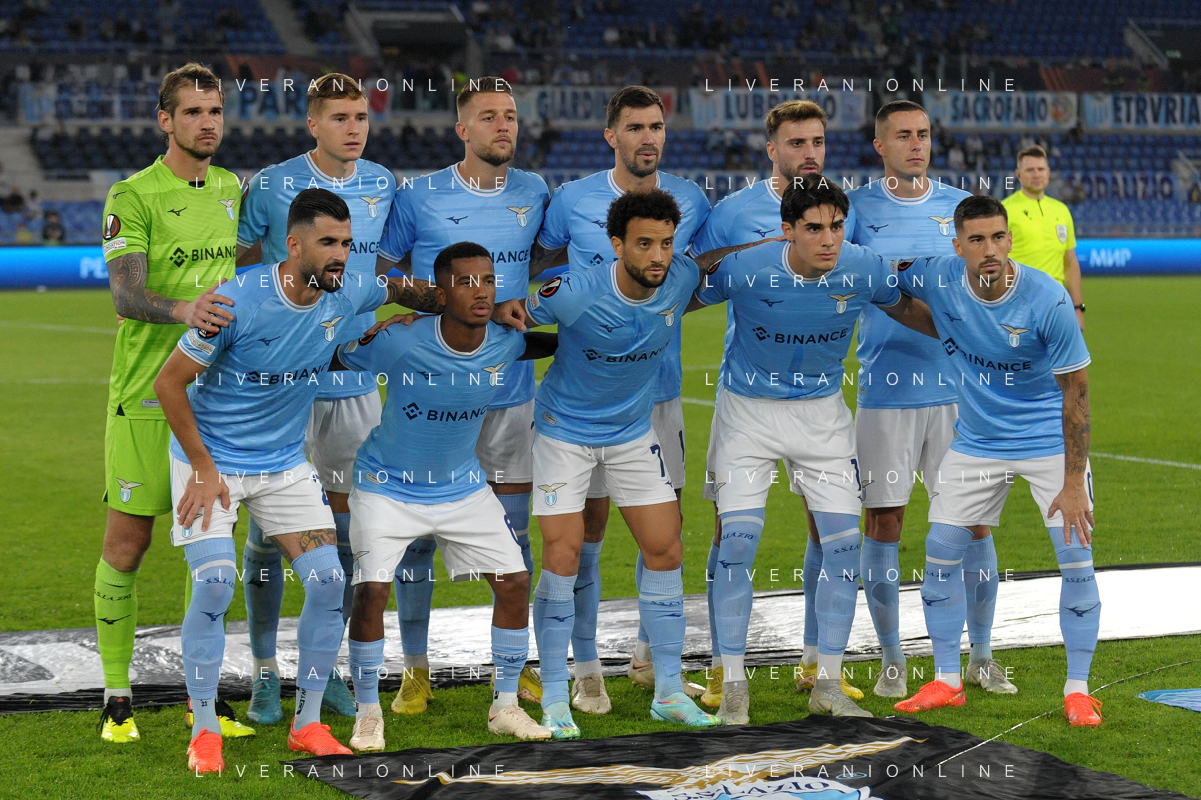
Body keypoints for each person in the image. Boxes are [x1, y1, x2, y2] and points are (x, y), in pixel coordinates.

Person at [153, 188, 439, 773]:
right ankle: (204, 729)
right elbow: (168, 384)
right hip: (212, 462)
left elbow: (400, 289)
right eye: (328, 243)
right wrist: (202, 468)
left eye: (347, 244)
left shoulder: (349, 289)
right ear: (293, 244)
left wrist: (464, 305)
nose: (341, 255)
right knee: (214, 585)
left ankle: (306, 724)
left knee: (329, 581)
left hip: (283, 464)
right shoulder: (236, 302)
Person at [696, 177, 939, 722]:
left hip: (823, 416)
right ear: (787, 230)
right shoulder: (745, 269)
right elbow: (676, 298)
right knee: (737, 543)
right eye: (813, 229)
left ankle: (827, 683)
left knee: (844, 547)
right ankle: (733, 685)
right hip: (747, 415)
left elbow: (906, 309)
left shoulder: (863, 267)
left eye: (836, 226)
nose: (828, 239)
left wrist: (966, 336)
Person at [516, 189, 723, 738]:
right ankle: (556, 699)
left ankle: (669, 692)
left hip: (632, 434)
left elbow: (712, 261)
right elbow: (508, 319)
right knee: (563, 557)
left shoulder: (679, 277)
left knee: (666, 549)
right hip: (564, 434)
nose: (658, 256)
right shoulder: (573, 292)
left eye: (666, 243)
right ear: (616, 244)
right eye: (644, 244)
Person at [234, 72, 406, 725]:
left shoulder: (384, 183)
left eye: (360, 116)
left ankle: (323, 668)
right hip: (285, 381)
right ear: (312, 123)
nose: (354, 128)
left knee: (345, 532)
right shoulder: (271, 184)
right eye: (339, 117)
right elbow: (241, 263)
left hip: (354, 381)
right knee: (266, 529)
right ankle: (263, 673)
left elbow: (382, 269)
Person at [374, 76, 550, 715]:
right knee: (416, 536)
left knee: (514, 533)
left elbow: (543, 263)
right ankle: (414, 669)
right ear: (462, 129)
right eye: (489, 116)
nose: (504, 126)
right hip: (432, 392)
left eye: (510, 115)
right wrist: (441, 301)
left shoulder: (535, 192)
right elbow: (382, 271)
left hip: (508, 390)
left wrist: (518, 304)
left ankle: (516, 669)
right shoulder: (419, 195)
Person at [890, 195, 1101, 728]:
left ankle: (1078, 690)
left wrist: (1073, 482)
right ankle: (947, 680)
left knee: (1075, 557)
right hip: (978, 441)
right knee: (941, 550)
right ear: (957, 245)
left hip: (1047, 441)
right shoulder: (935, 276)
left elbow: (1076, 391)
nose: (990, 249)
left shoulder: (1046, 298)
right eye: (977, 240)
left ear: (1009, 240)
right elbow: (882, 280)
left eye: (999, 237)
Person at [339, 242, 559, 751]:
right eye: (465, 282)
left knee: (514, 581)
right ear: (440, 293)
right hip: (386, 488)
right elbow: (336, 354)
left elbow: (542, 344)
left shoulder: (504, 341)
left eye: (488, 281)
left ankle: (505, 705)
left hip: (462, 487)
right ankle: (369, 712)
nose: (481, 292)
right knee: (372, 590)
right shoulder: (400, 340)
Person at [689, 99, 860, 708]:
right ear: (772, 149)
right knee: (731, 534)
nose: (809, 153)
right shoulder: (734, 213)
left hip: (820, 398)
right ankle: (723, 670)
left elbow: (865, 280)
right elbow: (692, 273)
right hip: (748, 397)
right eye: (796, 143)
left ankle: (818, 664)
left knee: (831, 533)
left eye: (818, 141)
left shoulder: (845, 209)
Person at [94, 62, 244, 745]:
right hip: (142, 397)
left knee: (206, 550)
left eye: (215, 111)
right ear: (165, 120)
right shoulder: (133, 194)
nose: (207, 123)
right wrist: (185, 307)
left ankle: (199, 696)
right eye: (192, 112)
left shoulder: (231, 188)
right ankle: (116, 695)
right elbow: (126, 295)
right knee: (129, 544)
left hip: (211, 399)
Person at [845, 100, 1010, 701]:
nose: (916, 144)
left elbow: (991, 283)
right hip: (885, 393)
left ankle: (981, 654)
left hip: (959, 395)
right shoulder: (855, 210)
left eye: (923, 134)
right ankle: (892, 658)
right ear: (879, 146)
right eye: (903, 136)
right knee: (884, 521)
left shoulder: (961, 209)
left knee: (973, 525)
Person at [1002, 145, 1085, 331]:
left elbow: (1070, 263)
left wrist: (1078, 308)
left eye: (1040, 169)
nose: (1037, 175)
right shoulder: (1004, 211)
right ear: (1018, 175)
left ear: (1048, 172)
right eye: (1030, 170)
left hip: (1057, 307)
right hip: (1018, 307)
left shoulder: (1061, 210)